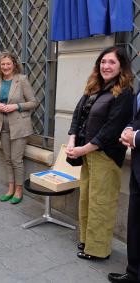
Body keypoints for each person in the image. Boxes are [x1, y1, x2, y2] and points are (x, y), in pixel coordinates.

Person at [66, 46, 134, 260]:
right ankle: (86, 239)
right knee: (86, 199)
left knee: (101, 204)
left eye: (111, 62)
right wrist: (71, 141)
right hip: (87, 154)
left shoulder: (125, 93)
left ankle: (98, 250)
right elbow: (77, 115)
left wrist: (82, 149)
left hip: (105, 156)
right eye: (103, 61)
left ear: (121, 66)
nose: (106, 66)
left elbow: (110, 130)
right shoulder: (95, 87)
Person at [0, 51, 37, 204]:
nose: (5, 67)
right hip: (2, 125)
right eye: (3, 64)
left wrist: (15, 106)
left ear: (14, 65)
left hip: (19, 126)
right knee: (8, 159)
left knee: (16, 160)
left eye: (8, 64)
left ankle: (18, 190)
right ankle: (10, 188)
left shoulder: (22, 80)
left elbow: (33, 102)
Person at [108, 83, 140, 283]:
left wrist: (136, 137)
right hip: (137, 167)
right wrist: (130, 128)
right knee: (135, 224)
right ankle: (134, 273)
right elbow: (136, 117)